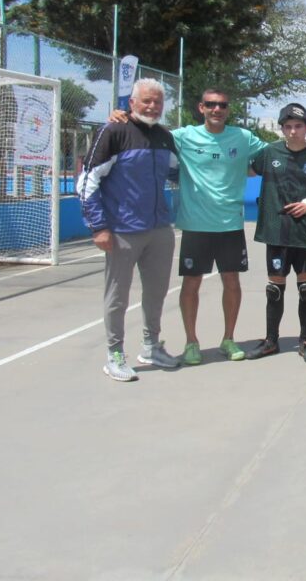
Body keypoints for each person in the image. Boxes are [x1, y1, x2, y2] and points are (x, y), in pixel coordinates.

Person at [78, 78, 181, 381]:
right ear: (132, 103)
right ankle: (115, 354)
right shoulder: (113, 131)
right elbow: (87, 183)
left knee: (157, 293)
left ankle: (151, 346)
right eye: (146, 101)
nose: (152, 106)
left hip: (159, 229)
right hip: (121, 230)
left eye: (157, 102)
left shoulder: (165, 136)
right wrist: (99, 227)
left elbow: (177, 171)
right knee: (118, 296)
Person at [172, 88, 268, 365]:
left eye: (222, 105)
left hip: (230, 225)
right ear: (201, 107)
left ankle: (228, 339)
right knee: (191, 283)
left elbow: (277, 153)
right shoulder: (184, 136)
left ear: (228, 109)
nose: (217, 109)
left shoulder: (243, 137)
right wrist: (122, 117)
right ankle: (191, 342)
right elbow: (148, 135)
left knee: (232, 282)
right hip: (195, 225)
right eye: (211, 105)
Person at [245, 102, 306, 363]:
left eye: (298, 126)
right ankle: (271, 341)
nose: (293, 131)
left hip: (305, 233)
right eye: (288, 126)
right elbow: (244, 169)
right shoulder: (269, 152)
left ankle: (305, 342)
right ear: (282, 128)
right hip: (277, 231)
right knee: (275, 289)